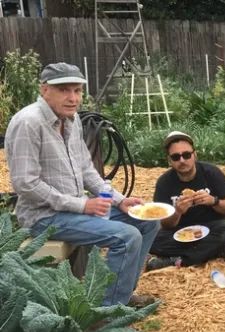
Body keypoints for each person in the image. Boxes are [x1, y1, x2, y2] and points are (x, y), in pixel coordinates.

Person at [4, 62, 158, 307]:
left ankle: (122, 295)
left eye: (77, 91)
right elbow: (26, 184)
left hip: (73, 210)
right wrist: (81, 205)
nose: (73, 98)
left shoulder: (72, 120)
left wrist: (120, 200)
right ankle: (105, 314)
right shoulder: (29, 123)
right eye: (64, 90)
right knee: (127, 236)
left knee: (146, 221)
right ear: (45, 90)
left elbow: (87, 170)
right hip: (45, 217)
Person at [146, 131, 225, 270]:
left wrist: (214, 201)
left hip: (212, 225)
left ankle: (176, 260)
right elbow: (165, 224)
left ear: (194, 155)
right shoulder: (164, 183)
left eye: (186, 155)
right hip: (179, 231)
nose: (182, 160)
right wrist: (177, 212)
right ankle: (216, 250)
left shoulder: (211, 172)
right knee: (150, 241)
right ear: (170, 160)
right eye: (176, 157)